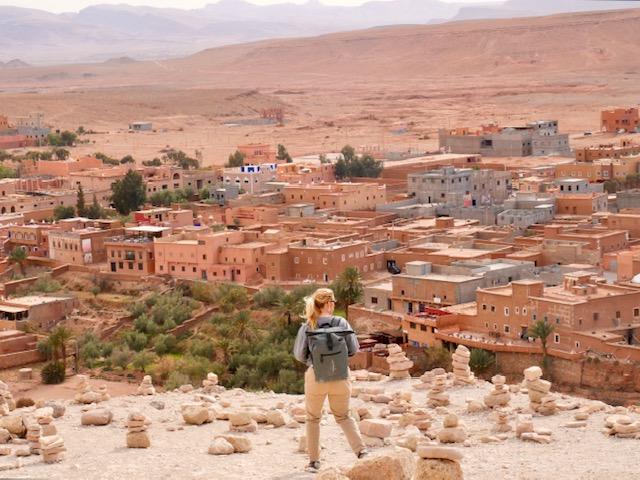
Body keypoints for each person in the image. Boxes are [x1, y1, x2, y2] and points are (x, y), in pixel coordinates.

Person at [293, 287, 368, 473]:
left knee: (313, 419)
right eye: (333, 302)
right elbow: (354, 349)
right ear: (328, 304)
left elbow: (299, 355)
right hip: (340, 375)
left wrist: (316, 361)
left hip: (316, 376)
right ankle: (361, 452)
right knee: (343, 416)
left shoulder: (308, 325)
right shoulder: (341, 322)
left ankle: (314, 462)